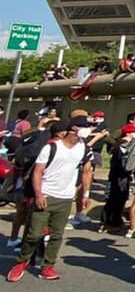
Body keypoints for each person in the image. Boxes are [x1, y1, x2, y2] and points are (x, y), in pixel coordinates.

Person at [6, 116, 94, 282]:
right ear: (71, 129)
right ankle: (21, 262)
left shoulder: (82, 148)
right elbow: (38, 171)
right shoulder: (51, 147)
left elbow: (87, 171)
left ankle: (47, 267)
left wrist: (85, 194)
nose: (87, 129)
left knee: (56, 235)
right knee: (34, 234)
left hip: (66, 198)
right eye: (84, 126)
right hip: (46, 196)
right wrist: (39, 194)